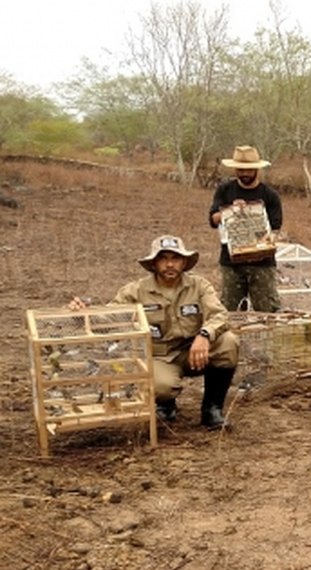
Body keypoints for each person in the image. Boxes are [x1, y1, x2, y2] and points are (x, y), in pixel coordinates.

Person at [68, 235, 239, 429]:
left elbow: (220, 315)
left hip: (194, 350)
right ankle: (165, 405)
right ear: (154, 264)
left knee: (228, 342)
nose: (169, 265)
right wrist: (83, 313)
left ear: (183, 262)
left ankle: (212, 409)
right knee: (161, 387)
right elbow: (110, 317)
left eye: (175, 259)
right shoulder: (136, 291)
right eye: (163, 259)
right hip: (160, 357)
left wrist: (205, 335)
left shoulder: (199, 286)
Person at [208, 145, 283, 312]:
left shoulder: (270, 195)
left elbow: (276, 227)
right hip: (231, 262)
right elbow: (213, 219)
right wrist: (230, 212)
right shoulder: (225, 190)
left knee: (268, 311)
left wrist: (253, 215)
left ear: (257, 169)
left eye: (249, 170)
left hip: (262, 263)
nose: (245, 174)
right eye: (241, 170)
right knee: (229, 311)